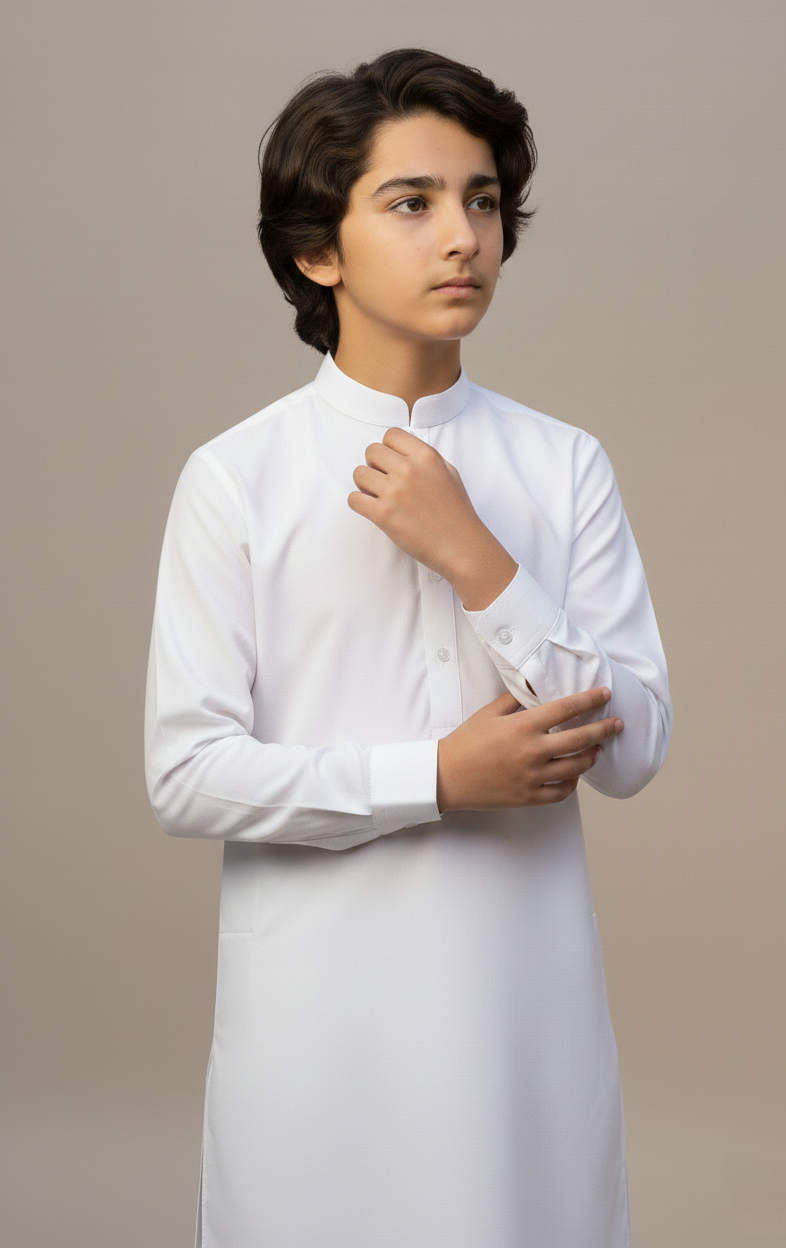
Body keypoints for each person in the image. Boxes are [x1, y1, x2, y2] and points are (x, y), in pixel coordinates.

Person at [145, 47, 671, 1248]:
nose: (463, 238)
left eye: (481, 201)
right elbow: (186, 773)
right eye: (411, 203)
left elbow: (635, 749)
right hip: (316, 1027)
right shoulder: (236, 478)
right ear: (315, 251)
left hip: (522, 1023)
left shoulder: (562, 464)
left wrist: (480, 562)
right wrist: (435, 776)